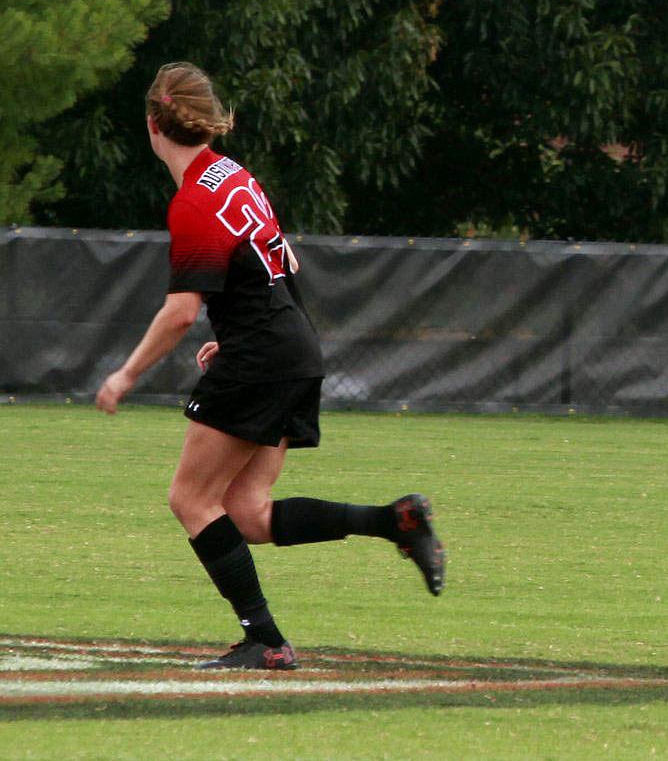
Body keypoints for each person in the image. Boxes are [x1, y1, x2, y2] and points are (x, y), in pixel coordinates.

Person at [96, 62, 445, 669]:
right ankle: (397, 521)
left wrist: (126, 375)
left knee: (191, 499)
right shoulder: (236, 177)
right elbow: (282, 270)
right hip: (290, 348)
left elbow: (181, 312)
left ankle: (266, 639)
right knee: (247, 513)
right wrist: (243, 342)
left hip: (264, 353)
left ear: (153, 125)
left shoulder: (193, 201)